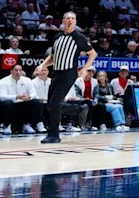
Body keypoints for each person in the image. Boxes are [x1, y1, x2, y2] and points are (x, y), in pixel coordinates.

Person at [35, 11, 96, 144]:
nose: (70, 20)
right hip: (56, 72)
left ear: (75, 21)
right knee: (50, 104)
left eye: (73, 18)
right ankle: (76, 109)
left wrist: (84, 69)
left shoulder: (79, 37)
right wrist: (42, 65)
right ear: (63, 21)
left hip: (69, 73)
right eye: (68, 18)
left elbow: (92, 54)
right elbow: (52, 57)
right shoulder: (57, 37)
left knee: (55, 103)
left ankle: (54, 135)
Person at [0, 65, 40, 135]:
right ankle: (7, 126)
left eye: (20, 70)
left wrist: (29, 97)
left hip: (22, 103)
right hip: (11, 104)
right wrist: (16, 97)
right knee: (7, 103)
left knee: (35, 102)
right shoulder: (3, 81)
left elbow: (34, 93)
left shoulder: (27, 80)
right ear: (11, 71)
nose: (18, 72)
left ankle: (27, 125)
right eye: (16, 70)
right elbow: (2, 97)